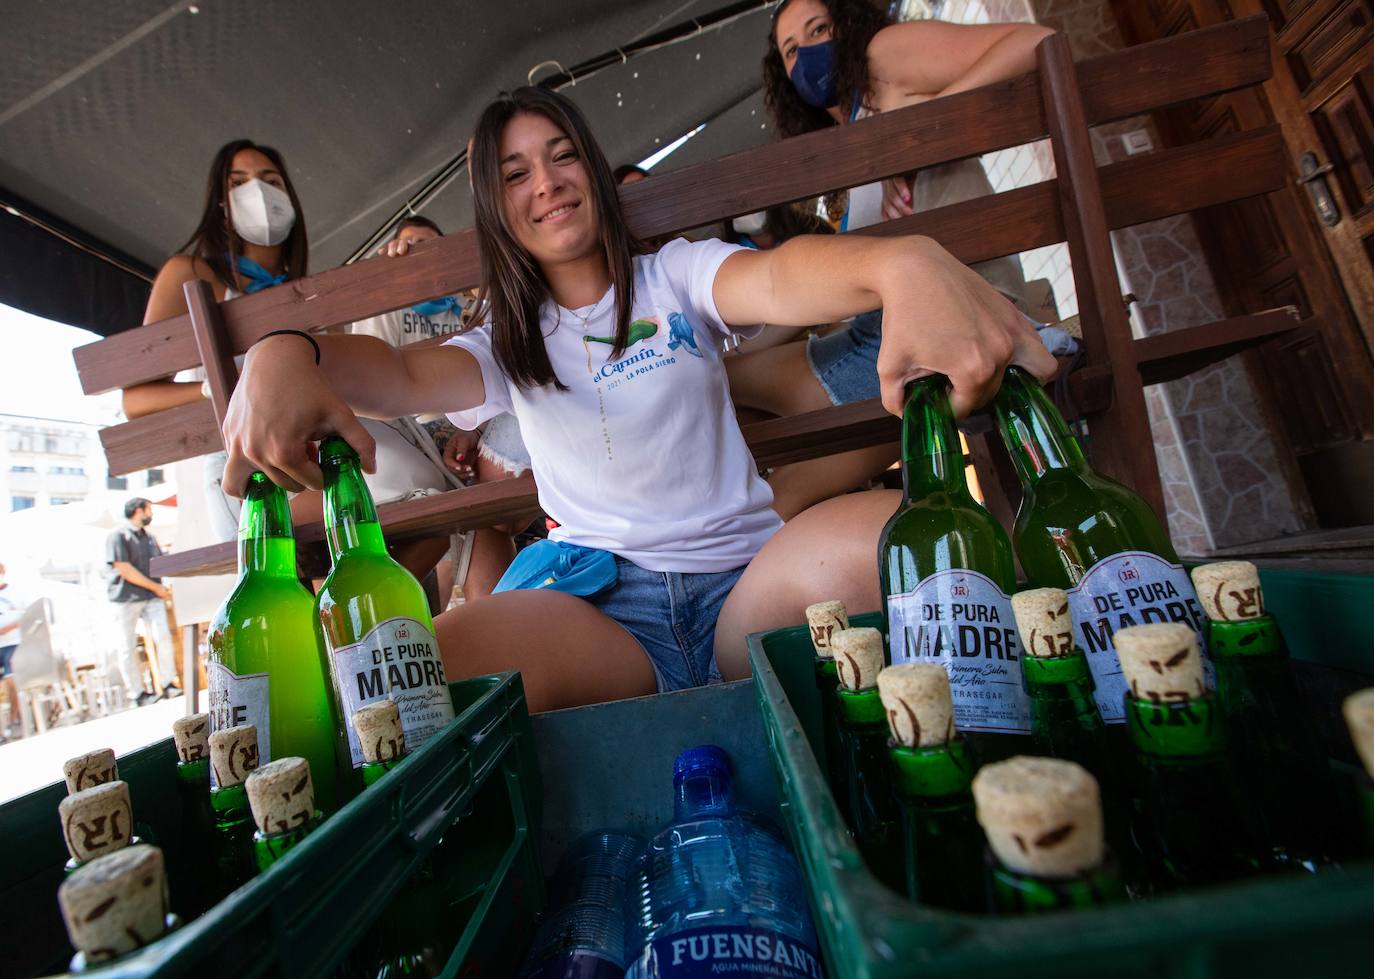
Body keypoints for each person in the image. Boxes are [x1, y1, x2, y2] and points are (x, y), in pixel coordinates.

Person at [219, 86, 1055, 715]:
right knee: (409, 669)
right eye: (515, 173)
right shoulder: (504, 345)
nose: (545, 182)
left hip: (749, 589)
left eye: (562, 155)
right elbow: (397, 375)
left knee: (933, 542)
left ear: (592, 167)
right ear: (496, 209)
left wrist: (901, 263)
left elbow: (779, 274)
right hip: (605, 619)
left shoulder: (676, 275)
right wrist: (283, 351)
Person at [723, 0, 1055, 519]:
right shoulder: (850, 136)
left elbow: (1037, 41)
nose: (808, 53)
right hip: (878, 338)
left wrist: (918, 136)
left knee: (770, 506)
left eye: (819, 29)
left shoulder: (884, 57)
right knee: (715, 378)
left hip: (950, 329)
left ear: (849, 25)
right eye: (792, 51)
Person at [123, 139, 309, 541]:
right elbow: (135, 401)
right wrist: (218, 388)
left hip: (314, 454)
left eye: (271, 181)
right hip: (241, 461)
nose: (257, 192)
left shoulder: (307, 289)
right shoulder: (190, 273)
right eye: (238, 183)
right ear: (220, 205)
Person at [353, 215, 531, 600]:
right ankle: (477, 614)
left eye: (431, 247)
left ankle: (484, 617)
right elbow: (372, 391)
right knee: (472, 506)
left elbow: (507, 358)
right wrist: (392, 280)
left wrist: (470, 281)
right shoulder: (387, 302)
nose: (421, 255)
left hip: (473, 424)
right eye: (410, 247)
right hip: (412, 433)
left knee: (482, 506)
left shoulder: (467, 298)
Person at [106, 498, 179, 705]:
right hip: (126, 597)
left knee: (163, 637)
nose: (152, 514)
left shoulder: (150, 538)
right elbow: (124, 569)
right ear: (139, 511)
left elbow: (160, 564)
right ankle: (137, 693)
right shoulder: (118, 536)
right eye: (150, 510)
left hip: (151, 596)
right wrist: (156, 587)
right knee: (126, 645)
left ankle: (168, 683)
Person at [0, 561, 25, 739]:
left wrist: (10, 627)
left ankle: (16, 719)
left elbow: (27, 616)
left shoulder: (15, 593)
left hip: (13, 643)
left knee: (12, 681)